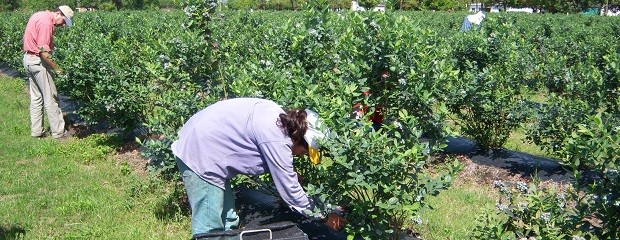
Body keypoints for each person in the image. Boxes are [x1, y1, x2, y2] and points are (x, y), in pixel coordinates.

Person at [171, 98, 346, 238]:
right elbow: (292, 193)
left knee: (228, 219)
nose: (302, 155)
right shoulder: (276, 139)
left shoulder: (279, 121)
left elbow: (268, 154)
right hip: (200, 151)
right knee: (209, 227)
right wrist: (324, 217)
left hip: (207, 141)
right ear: (299, 138)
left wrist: (288, 175)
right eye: (305, 151)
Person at [22, 5, 74, 139]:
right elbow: (43, 52)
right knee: (51, 97)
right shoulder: (46, 23)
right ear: (58, 13)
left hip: (28, 59)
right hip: (37, 62)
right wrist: (58, 69)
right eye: (63, 21)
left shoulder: (39, 14)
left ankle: (37, 131)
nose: (63, 25)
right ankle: (58, 133)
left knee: (36, 97)